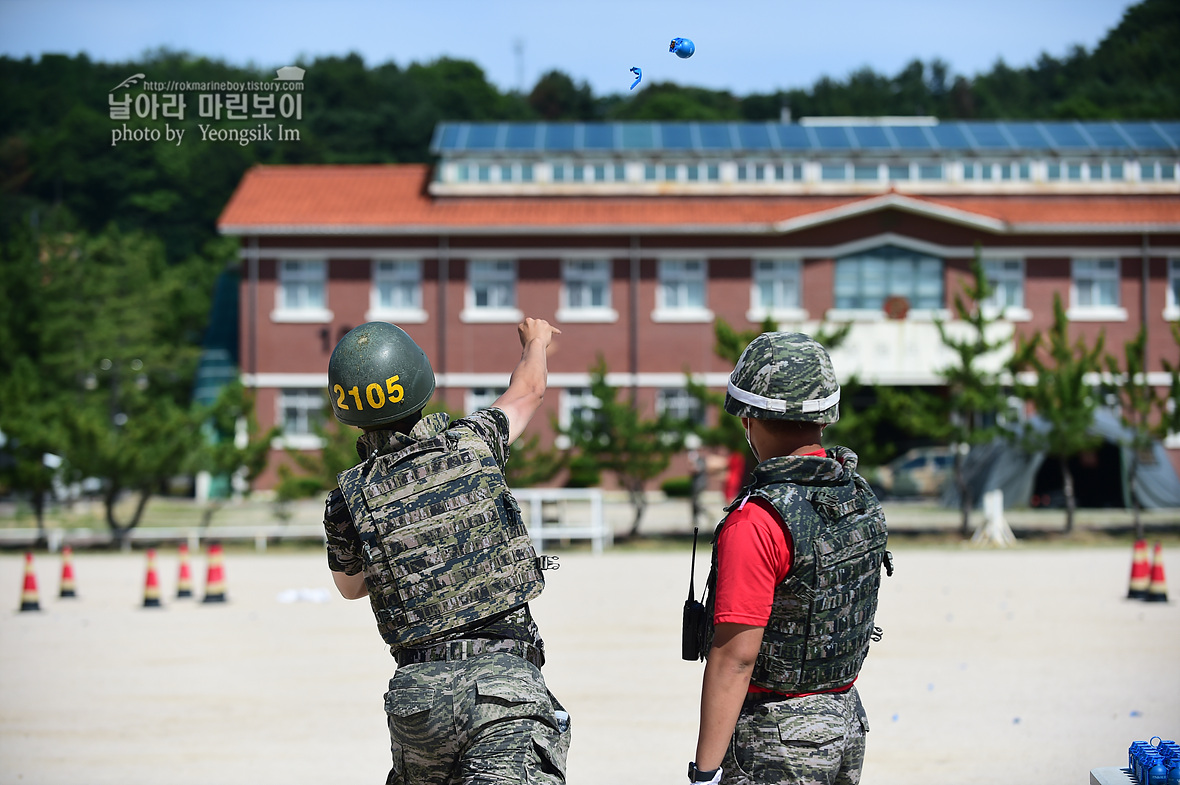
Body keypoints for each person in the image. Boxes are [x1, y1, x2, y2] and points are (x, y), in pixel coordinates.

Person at [322, 318, 571, 785]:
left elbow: (351, 587)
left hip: (419, 704)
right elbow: (528, 391)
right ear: (420, 381)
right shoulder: (475, 441)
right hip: (505, 692)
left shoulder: (346, 498)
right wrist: (535, 342)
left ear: (348, 410)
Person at [687, 332, 890, 785]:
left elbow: (736, 658)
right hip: (844, 721)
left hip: (776, 740)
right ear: (826, 416)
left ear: (747, 418)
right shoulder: (854, 494)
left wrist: (704, 772)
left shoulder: (758, 520)